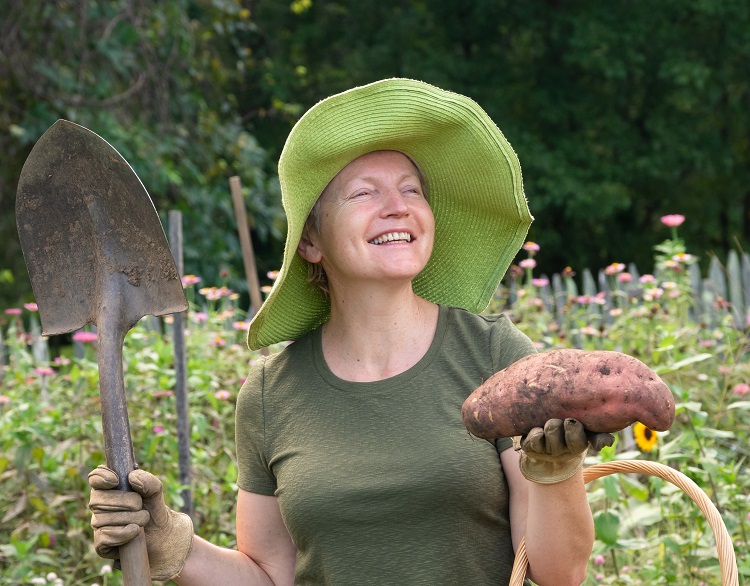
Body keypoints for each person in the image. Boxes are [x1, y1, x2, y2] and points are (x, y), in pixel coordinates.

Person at [88, 78, 612, 585]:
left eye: (411, 190)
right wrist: (173, 547)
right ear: (312, 240)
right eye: (365, 193)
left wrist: (555, 471)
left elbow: (559, 574)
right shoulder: (271, 395)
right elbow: (271, 578)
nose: (398, 206)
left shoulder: (496, 357)